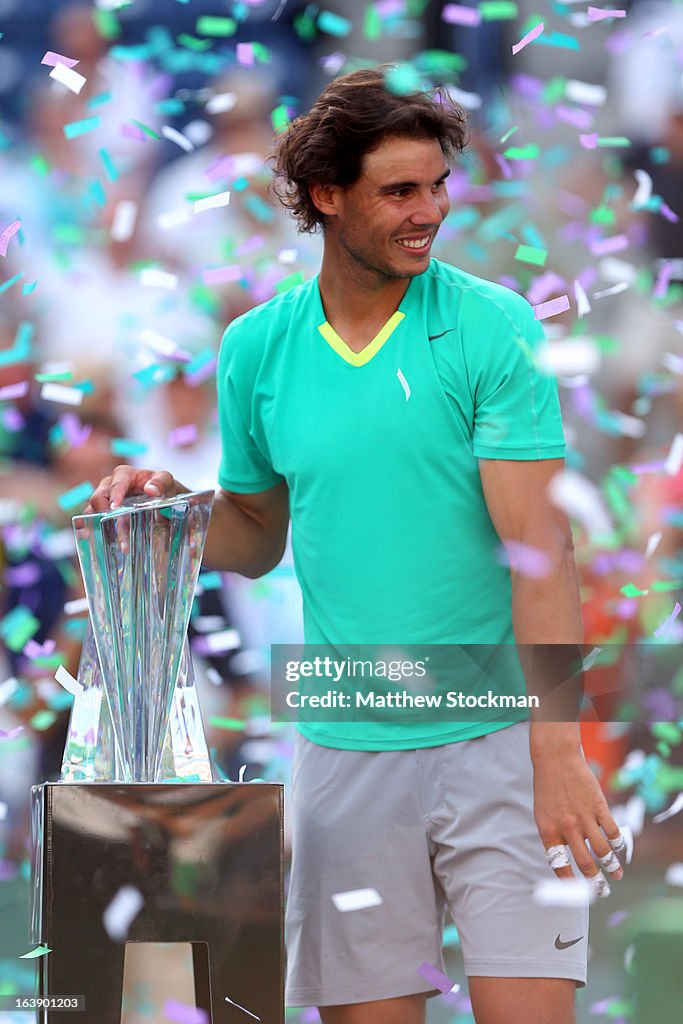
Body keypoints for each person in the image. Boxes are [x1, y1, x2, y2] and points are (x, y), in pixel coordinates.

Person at [87, 67, 628, 1024]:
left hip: (499, 738)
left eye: (439, 186)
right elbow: (256, 537)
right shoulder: (256, 347)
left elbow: (540, 550)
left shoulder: (490, 326)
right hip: (343, 752)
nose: (431, 212)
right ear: (327, 197)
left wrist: (558, 751)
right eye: (401, 191)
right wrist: (175, 510)